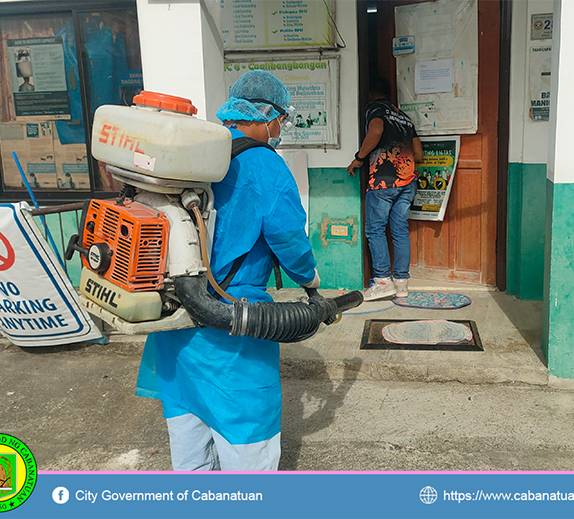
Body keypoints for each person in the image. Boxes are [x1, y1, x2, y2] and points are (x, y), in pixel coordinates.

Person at [135, 70, 320, 471]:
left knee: (190, 454)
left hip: (176, 326)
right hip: (233, 329)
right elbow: (289, 239)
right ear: (268, 115)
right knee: (248, 453)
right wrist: (310, 279)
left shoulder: (193, 155)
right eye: (282, 120)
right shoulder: (264, 165)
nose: (280, 128)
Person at [346, 78, 422, 301]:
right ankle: (401, 284)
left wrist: (359, 158)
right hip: (407, 181)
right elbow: (418, 154)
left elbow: (376, 129)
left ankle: (381, 281)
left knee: (375, 230)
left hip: (383, 181)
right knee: (399, 229)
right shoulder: (404, 117)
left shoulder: (375, 108)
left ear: (370, 94)